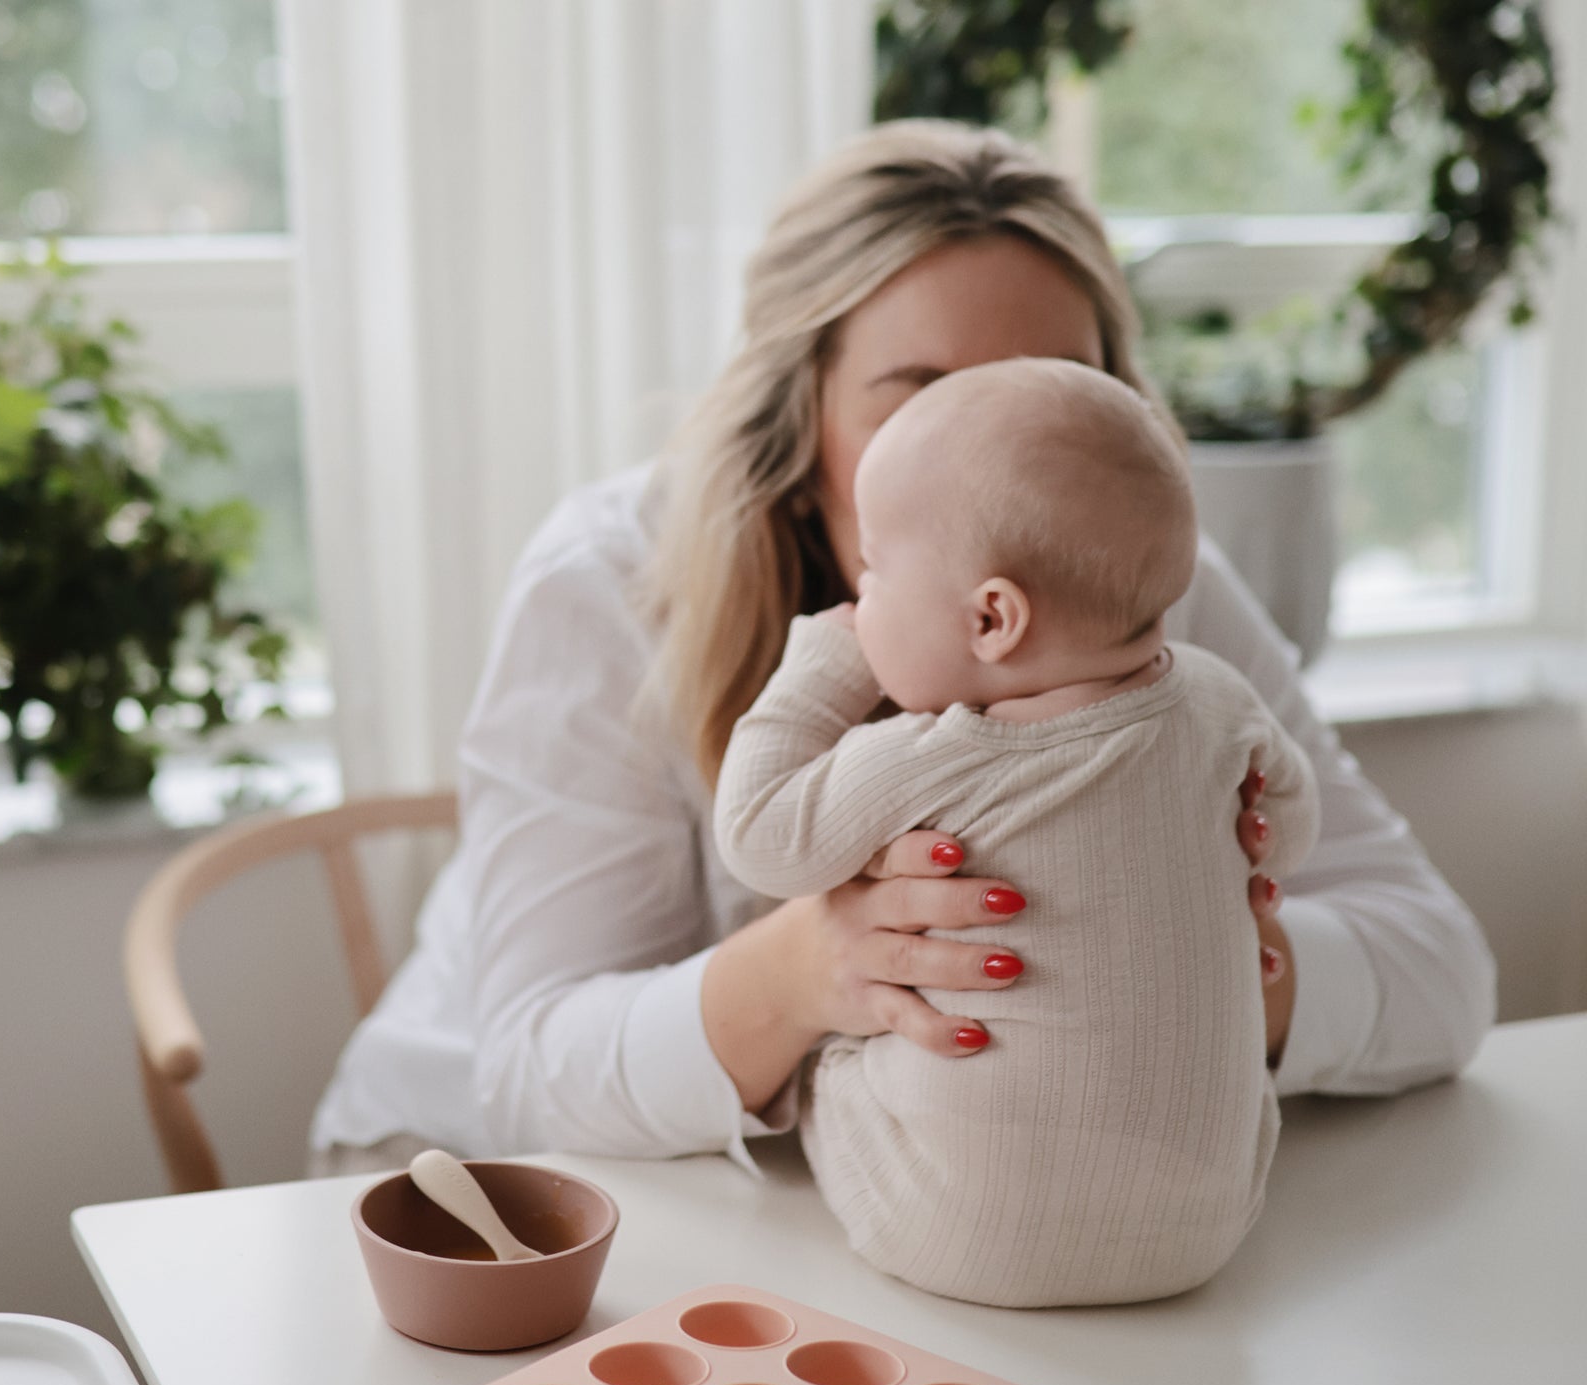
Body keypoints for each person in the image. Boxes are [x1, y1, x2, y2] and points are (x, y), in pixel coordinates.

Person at [310, 120, 1494, 1176]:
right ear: (799, 407)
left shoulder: (1120, 571)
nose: (990, 467)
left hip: (885, 1206)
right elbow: (526, 1071)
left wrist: (1225, 957)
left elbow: (1441, 969)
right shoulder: (607, 582)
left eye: (1043, 393)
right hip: (458, 1183)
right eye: (914, 393)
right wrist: (809, 971)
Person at [712, 357, 1317, 1305]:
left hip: (952, 1234)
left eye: (875, 570)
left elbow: (757, 835)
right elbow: (1291, 824)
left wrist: (821, 669)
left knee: (836, 1062)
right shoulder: (1217, 701)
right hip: (1206, 1230)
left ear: (993, 617)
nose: (858, 595)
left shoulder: (935, 754)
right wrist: (1243, 855)